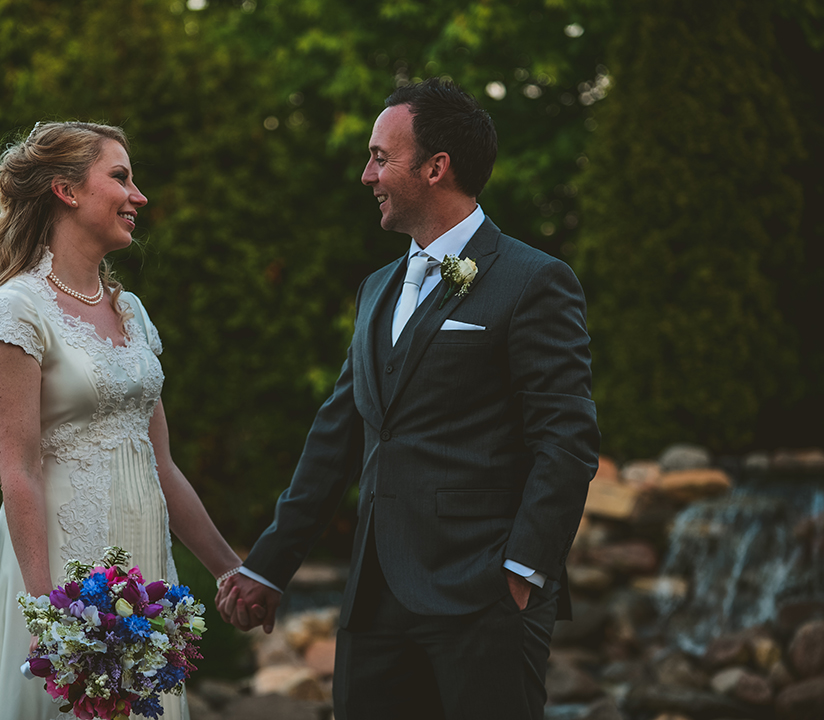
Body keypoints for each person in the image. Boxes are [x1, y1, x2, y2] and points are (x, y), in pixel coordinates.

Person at [217, 79, 601, 719]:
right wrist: (268, 567)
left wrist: (522, 573)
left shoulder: (535, 281)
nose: (367, 174)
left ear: (434, 167)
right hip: (374, 600)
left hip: (484, 595)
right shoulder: (376, 289)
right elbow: (336, 438)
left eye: (378, 157)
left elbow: (567, 439)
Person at [0, 121, 242, 720]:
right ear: (67, 190)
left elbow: (161, 464)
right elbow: (18, 472)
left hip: (141, 570)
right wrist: (46, 614)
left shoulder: (131, 313)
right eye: (120, 177)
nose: (138, 196)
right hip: (60, 576)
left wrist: (233, 571)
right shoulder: (16, 309)